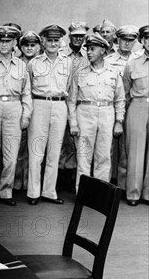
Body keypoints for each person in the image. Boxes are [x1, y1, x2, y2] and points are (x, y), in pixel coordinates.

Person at [67, 33, 125, 191]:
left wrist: (119, 121)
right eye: (88, 49)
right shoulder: (80, 73)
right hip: (85, 113)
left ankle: (100, 195)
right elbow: (71, 100)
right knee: (84, 157)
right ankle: (83, 194)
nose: (89, 52)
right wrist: (73, 123)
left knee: (104, 157)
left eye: (93, 49)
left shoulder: (113, 73)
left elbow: (120, 99)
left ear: (103, 51)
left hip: (107, 113)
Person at [0, 25, 31, 206]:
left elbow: (26, 92)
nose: (4, 44)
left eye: (8, 41)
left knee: (11, 155)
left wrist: (26, 114)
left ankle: (6, 192)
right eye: (1, 41)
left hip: (14, 107)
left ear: (14, 43)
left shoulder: (21, 66)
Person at [26, 24, 73, 205]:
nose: (53, 44)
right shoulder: (34, 63)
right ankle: (33, 192)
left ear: (61, 41)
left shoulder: (67, 62)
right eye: (50, 40)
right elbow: (28, 88)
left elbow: (69, 87)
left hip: (60, 105)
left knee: (54, 151)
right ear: (43, 41)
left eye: (56, 40)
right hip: (39, 104)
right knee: (37, 150)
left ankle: (49, 191)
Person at [106, 25, 140, 189]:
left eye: (131, 40)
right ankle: (106, 186)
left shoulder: (137, 60)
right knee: (107, 149)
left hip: (130, 107)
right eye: (124, 40)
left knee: (127, 149)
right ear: (117, 40)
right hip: (109, 107)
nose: (127, 44)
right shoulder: (108, 60)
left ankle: (122, 186)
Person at [57, 21, 90, 194]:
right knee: (60, 142)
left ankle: (71, 180)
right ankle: (58, 180)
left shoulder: (88, 53)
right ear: (70, 36)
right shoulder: (61, 54)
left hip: (80, 104)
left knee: (75, 144)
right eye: (75, 35)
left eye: (81, 36)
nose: (78, 39)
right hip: (61, 103)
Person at [122, 25, 149, 206]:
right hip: (138, 105)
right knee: (136, 151)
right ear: (142, 41)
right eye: (147, 38)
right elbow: (124, 89)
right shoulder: (133, 62)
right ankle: (133, 193)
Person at [14, 30, 42, 192]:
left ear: (39, 46)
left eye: (33, 45)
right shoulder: (16, 63)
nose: (29, 48)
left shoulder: (43, 63)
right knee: (18, 146)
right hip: (19, 107)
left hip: (38, 107)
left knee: (36, 147)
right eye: (26, 45)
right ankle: (17, 182)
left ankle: (29, 183)